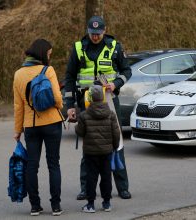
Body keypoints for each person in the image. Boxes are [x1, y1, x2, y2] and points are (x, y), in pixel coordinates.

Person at [64, 15, 132, 199]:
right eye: (92, 33)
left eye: (98, 33)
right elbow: (69, 78)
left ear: (104, 30)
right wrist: (69, 106)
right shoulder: (78, 48)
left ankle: (122, 187)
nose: (95, 37)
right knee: (89, 146)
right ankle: (86, 189)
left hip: (109, 101)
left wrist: (116, 83)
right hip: (86, 102)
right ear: (88, 30)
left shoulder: (114, 47)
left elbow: (127, 71)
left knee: (116, 143)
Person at [13, 39, 64, 216]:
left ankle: (35, 206)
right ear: (43, 53)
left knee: (32, 166)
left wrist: (17, 129)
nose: (50, 56)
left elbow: (18, 105)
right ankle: (56, 206)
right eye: (49, 53)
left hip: (31, 126)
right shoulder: (48, 70)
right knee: (53, 164)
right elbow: (57, 98)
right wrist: (60, 106)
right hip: (52, 123)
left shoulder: (18, 74)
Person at [75, 85, 120, 213]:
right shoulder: (110, 114)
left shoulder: (84, 115)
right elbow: (116, 133)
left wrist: (76, 126)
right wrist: (115, 147)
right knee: (106, 176)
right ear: (102, 97)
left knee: (91, 177)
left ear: (91, 98)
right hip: (106, 152)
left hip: (90, 152)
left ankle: (90, 204)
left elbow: (80, 132)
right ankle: (106, 203)